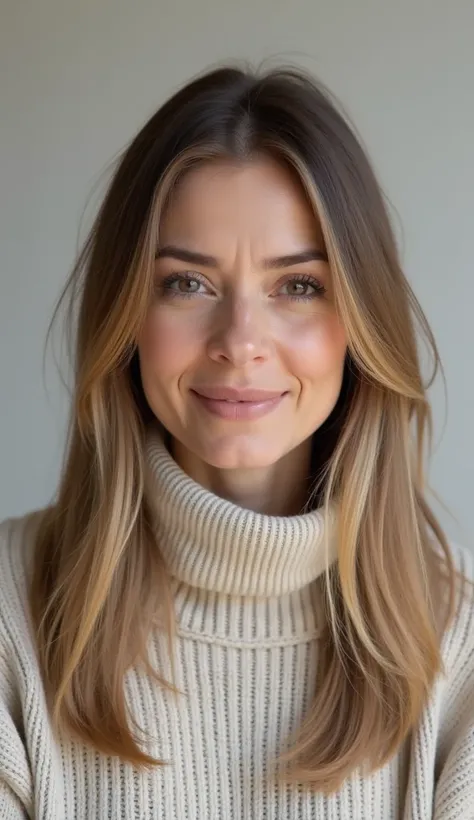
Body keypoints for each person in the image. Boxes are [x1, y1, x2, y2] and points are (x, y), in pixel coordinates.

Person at [0, 65, 472, 820]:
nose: (240, 343)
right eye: (188, 283)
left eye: (299, 286)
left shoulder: (461, 645)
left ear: (362, 322)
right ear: (127, 314)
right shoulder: (9, 613)